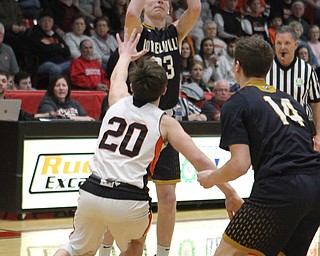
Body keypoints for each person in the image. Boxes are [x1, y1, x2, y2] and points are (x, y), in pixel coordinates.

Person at [53, 28, 243, 256]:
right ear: (164, 90)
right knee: (135, 246)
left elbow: (116, 77)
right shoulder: (166, 122)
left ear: (132, 87)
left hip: (92, 191)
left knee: (73, 248)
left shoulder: (116, 101)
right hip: (129, 199)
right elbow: (200, 160)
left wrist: (124, 55)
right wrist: (230, 193)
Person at [197, 34, 320, 256]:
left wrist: (210, 179)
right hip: (316, 186)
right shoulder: (290, 100)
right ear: (269, 66)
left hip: (281, 189)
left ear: (237, 66)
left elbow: (239, 164)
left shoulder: (237, 102)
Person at [118, 1, 204, 256]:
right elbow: (132, 12)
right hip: (139, 120)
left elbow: (195, 9)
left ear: (168, 9)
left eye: (164, 0)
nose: (159, 1)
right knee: (123, 195)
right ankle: (105, 248)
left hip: (165, 121)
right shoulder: (137, 31)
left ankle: (162, 253)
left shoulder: (174, 33)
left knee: (168, 198)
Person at [266, 25, 320, 152]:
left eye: (287, 43)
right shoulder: (265, 69)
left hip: (300, 133)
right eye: (278, 43)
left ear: (296, 45)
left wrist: (318, 133)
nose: (282, 47)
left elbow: (316, 103)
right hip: (271, 133)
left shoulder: (307, 70)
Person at [28, 10, 71, 86]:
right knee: (55, 69)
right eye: (44, 21)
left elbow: (67, 51)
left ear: (53, 23)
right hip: (43, 63)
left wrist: (51, 47)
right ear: (40, 22)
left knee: (75, 64)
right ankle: (54, 91)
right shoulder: (35, 34)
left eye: (49, 21)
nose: (47, 23)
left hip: (60, 62)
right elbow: (44, 50)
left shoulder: (55, 34)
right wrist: (59, 46)